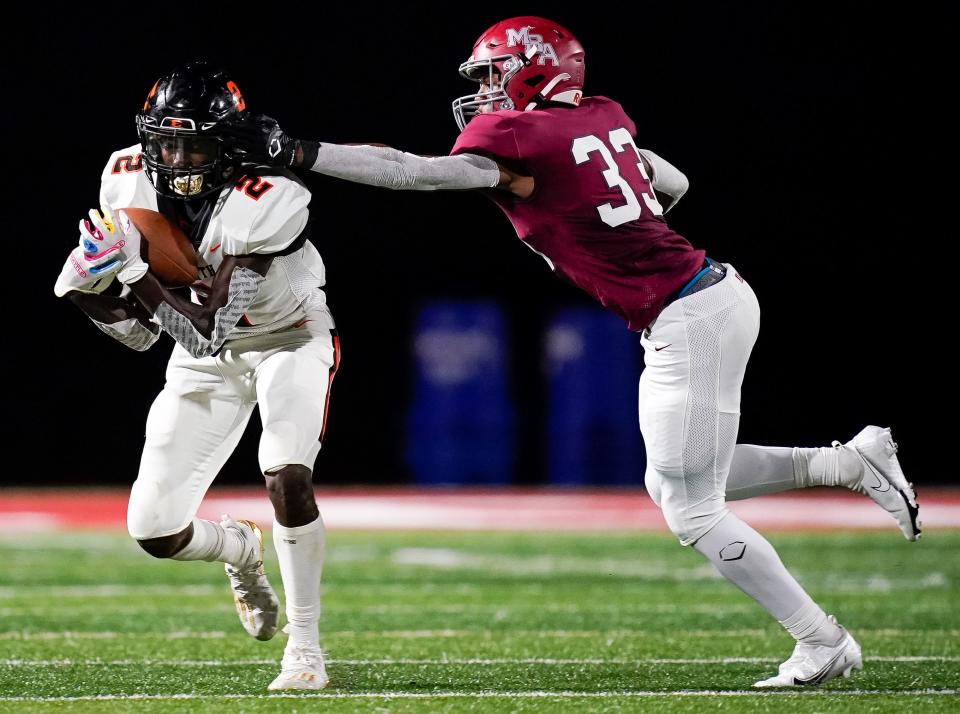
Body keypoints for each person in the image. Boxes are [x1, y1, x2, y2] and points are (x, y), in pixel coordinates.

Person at [228, 16, 921, 687]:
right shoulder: (601, 114)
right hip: (708, 298)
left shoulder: (518, 135)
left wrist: (297, 152)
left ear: (535, 67)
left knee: (693, 509)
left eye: (495, 72)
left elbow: (415, 174)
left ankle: (822, 640)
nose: (487, 89)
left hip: (689, 313)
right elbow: (670, 184)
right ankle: (848, 463)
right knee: (676, 483)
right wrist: (612, 226)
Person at [53, 62, 337, 690]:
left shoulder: (270, 199)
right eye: (166, 140)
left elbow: (203, 329)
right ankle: (239, 549)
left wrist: (131, 274)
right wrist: (85, 294)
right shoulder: (125, 176)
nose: (177, 156)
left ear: (229, 143)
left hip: (287, 336)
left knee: (287, 473)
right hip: (204, 352)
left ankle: (306, 648)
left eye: (194, 142)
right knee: (153, 530)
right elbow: (142, 334)